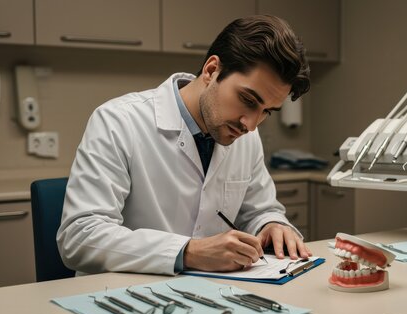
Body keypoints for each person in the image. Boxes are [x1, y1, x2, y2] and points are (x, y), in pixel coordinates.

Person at [57, 14, 312, 276]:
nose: (251, 124)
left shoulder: (246, 135)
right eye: (247, 99)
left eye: (267, 111)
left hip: (210, 296)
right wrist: (188, 252)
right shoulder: (118, 121)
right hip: (123, 296)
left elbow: (260, 210)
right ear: (212, 71)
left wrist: (271, 224)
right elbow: (78, 237)